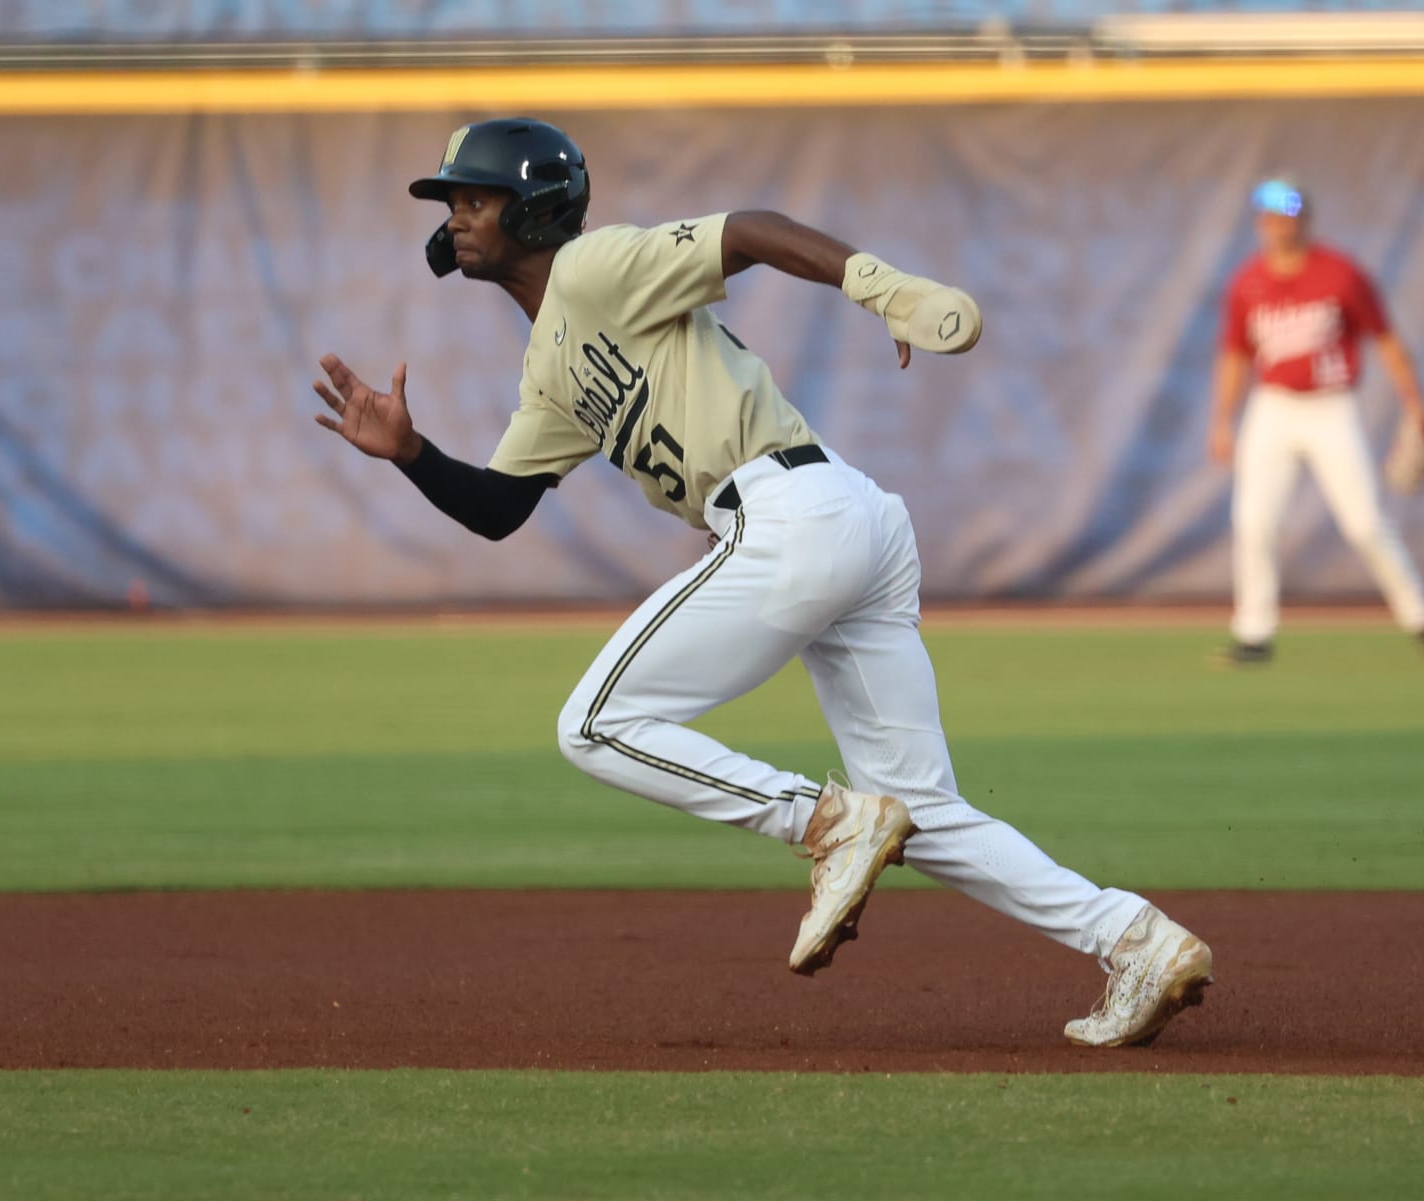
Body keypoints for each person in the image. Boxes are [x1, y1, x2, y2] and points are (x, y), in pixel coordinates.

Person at [311, 117, 1211, 1048]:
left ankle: (821, 823)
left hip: (792, 515)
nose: (457, 216)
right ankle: (1135, 936)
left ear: (534, 208)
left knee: (592, 724)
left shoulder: (591, 269)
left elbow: (746, 231)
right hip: (844, 519)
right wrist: (410, 453)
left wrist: (884, 290)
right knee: (928, 812)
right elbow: (500, 507)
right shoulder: (549, 366)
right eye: (451, 202)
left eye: (475, 198)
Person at [1209, 176, 1424, 666]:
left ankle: (1422, 621)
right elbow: (1235, 354)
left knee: (1364, 525)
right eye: (1270, 217)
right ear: (1259, 223)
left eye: (1288, 216)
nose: (1278, 226)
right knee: (1253, 522)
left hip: (1330, 408)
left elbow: (1384, 340)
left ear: (1304, 219)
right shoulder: (1247, 283)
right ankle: (1254, 635)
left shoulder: (1341, 275)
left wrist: (1415, 403)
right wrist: (1221, 419)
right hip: (1272, 407)